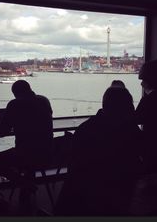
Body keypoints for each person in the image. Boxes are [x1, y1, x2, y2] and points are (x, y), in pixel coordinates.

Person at [55, 87, 143, 216]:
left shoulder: (85, 128)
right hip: (114, 199)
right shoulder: (129, 130)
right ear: (127, 107)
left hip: (79, 199)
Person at [0, 80, 53, 182]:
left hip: (25, 154)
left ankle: (22, 182)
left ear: (15, 93)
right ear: (29, 88)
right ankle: (27, 183)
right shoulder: (44, 100)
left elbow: (2, 133)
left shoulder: (14, 104)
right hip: (47, 153)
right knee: (29, 158)